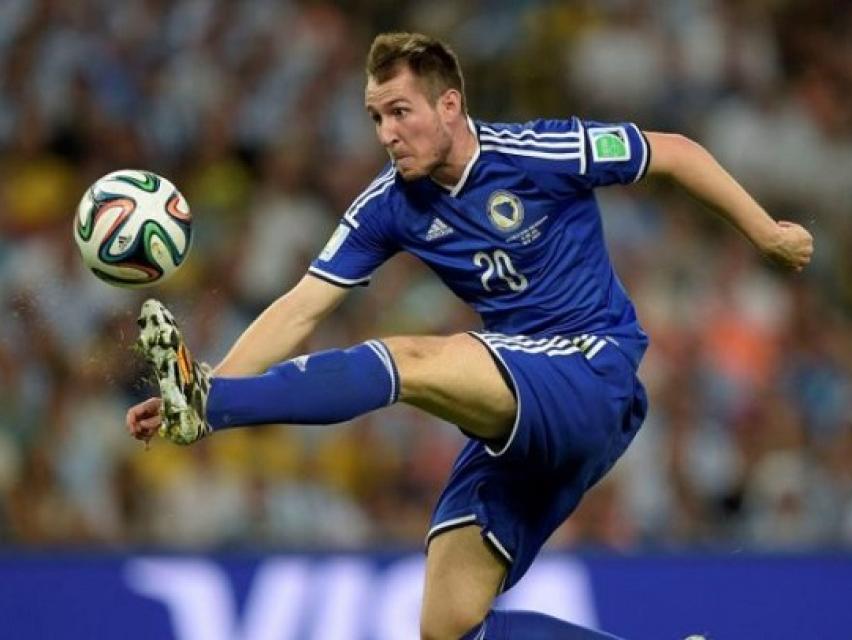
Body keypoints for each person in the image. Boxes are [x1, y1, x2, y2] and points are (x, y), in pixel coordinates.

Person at [127, 32, 813, 640]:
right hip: (524, 403)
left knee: (412, 357)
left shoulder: (540, 151)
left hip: (593, 370)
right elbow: (302, 307)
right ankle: (210, 402)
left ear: (449, 105)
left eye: (400, 112)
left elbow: (673, 152)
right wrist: (207, 381)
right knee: (449, 627)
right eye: (375, 118)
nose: (387, 134)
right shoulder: (389, 204)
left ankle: (213, 408)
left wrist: (767, 234)